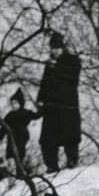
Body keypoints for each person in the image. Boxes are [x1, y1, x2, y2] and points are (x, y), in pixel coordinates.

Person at [36, 32, 82, 172]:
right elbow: (44, 82)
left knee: (70, 137)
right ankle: (51, 165)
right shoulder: (49, 63)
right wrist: (40, 99)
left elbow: (73, 79)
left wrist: (58, 65)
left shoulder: (72, 60)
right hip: (51, 107)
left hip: (67, 106)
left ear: (62, 48)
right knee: (47, 139)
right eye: (52, 48)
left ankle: (72, 162)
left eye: (56, 48)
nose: (53, 51)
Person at [0, 87, 41, 172]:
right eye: (12, 103)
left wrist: (42, 108)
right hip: (11, 137)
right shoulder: (10, 115)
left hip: (22, 136)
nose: (14, 105)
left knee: (20, 154)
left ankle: (20, 171)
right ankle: (11, 171)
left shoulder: (26, 112)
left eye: (16, 103)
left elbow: (36, 116)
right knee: (10, 154)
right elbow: (3, 127)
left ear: (20, 103)